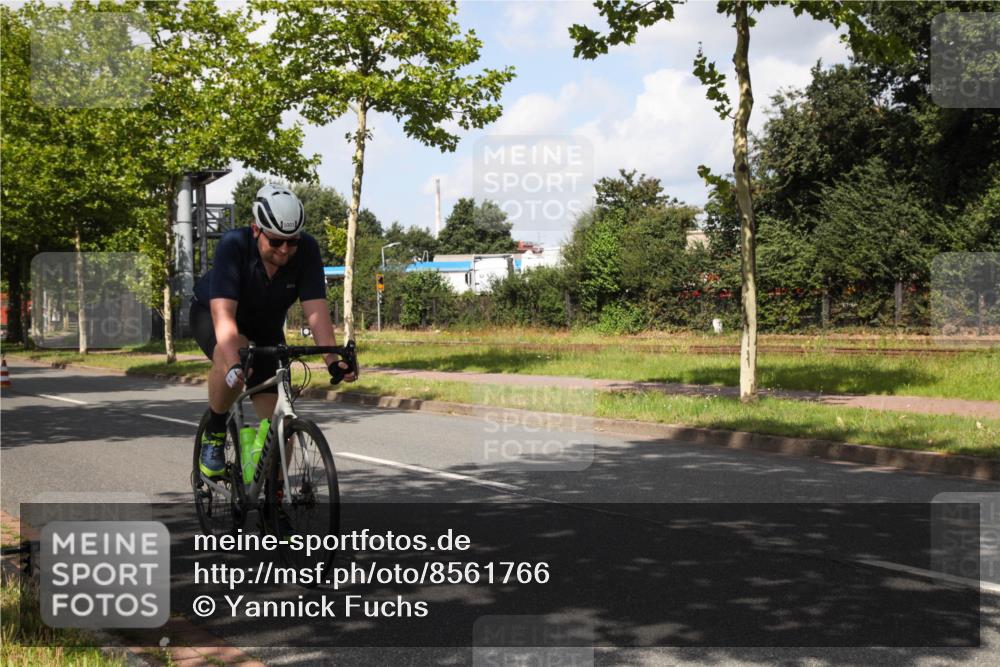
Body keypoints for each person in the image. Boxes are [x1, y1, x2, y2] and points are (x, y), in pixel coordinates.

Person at [189, 183, 356, 477]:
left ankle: (275, 510)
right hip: (215, 316)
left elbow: (316, 313)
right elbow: (224, 317)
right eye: (276, 241)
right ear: (257, 230)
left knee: (281, 425)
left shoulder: (306, 251)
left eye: (292, 241)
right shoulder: (234, 244)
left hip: (266, 329)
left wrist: (333, 360)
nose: (285, 250)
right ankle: (214, 433)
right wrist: (234, 363)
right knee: (231, 351)